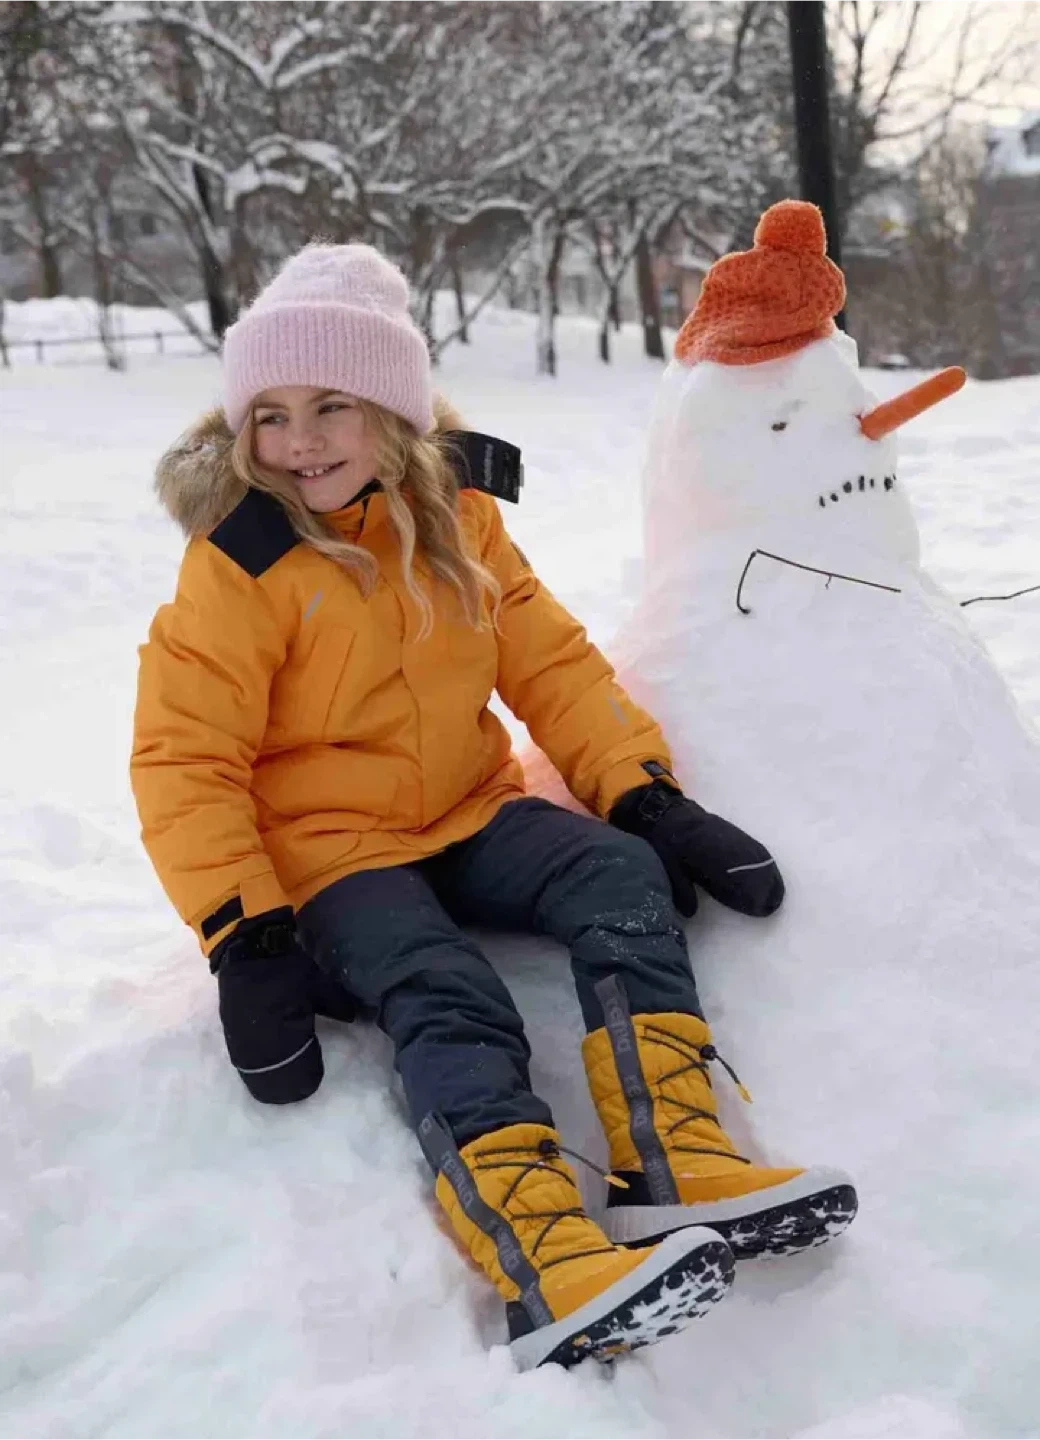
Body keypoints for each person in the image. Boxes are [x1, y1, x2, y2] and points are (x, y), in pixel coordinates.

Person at [131, 243, 857, 1372]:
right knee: (443, 984)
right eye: (269, 415)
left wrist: (645, 797)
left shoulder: (458, 518)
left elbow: (549, 662)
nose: (299, 440)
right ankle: (545, 1257)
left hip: (467, 812)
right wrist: (246, 936)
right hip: (326, 856)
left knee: (614, 877)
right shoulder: (246, 561)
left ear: (396, 413)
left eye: (332, 405)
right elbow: (185, 756)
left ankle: (673, 1160)